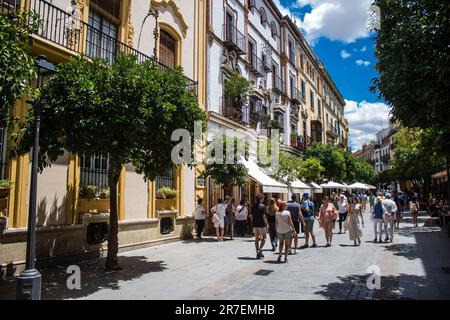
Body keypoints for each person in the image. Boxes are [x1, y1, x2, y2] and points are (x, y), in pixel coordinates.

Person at [252, 194, 268, 259]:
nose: (263, 199)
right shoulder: (263, 206)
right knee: (264, 237)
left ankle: (257, 251)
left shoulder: (253, 206)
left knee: (256, 238)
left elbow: (251, 215)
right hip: (261, 224)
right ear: (260, 199)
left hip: (255, 224)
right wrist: (266, 224)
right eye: (263, 198)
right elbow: (264, 216)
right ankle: (260, 250)